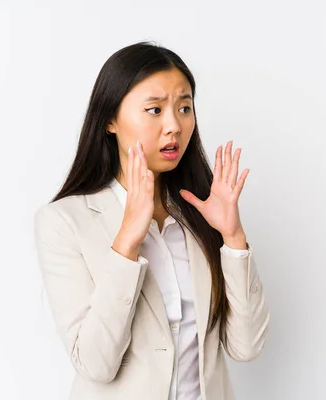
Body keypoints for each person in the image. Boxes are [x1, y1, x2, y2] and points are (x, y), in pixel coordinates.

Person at [33, 41, 270, 400]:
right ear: (110, 120)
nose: (174, 125)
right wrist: (127, 241)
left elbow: (246, 347)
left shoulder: (201, 213)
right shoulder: (64, 221)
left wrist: (233, 238)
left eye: (184, 107)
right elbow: (96, 365)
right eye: (154, 109)